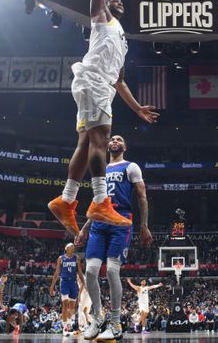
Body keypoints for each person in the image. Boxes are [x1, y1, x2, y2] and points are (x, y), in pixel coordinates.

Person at [48, 0, 159, 237]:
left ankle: (66, 200)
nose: (118, 2)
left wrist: (137, 109)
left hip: (101, 86)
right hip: (93, 82)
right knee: (100, 140)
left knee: (85, 142)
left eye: (121, 2)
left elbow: (120, 81)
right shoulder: (102, 18)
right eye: (114, 1)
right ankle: (99, 202)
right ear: (106, 7)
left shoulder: (122, 39)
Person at [74, 135, 154, 341]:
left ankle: (116, 322)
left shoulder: (131, 167)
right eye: (112, 139)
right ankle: (98, 318)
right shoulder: (101, 170)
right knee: (90, 272)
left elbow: (142, 196)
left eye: (120, 139)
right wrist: (84, 229)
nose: (115, 140)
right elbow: (97, 202)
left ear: (125, 146)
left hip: (120, 221)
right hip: (99, 223)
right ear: (108, 145)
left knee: (111, 270)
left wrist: (144, 225)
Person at [50, 242, 84, 334]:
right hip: (64, 282)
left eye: (73, 246)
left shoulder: (76, 258)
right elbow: (57, 273)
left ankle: (68, 323)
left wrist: (83, 283)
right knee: (65, 304)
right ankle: (65, 327)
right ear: (66, 248)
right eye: (71, 246)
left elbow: (80, 272)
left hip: (73, 283)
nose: (73, 246)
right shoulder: (61, 258)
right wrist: (52, 286)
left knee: (72, 308)